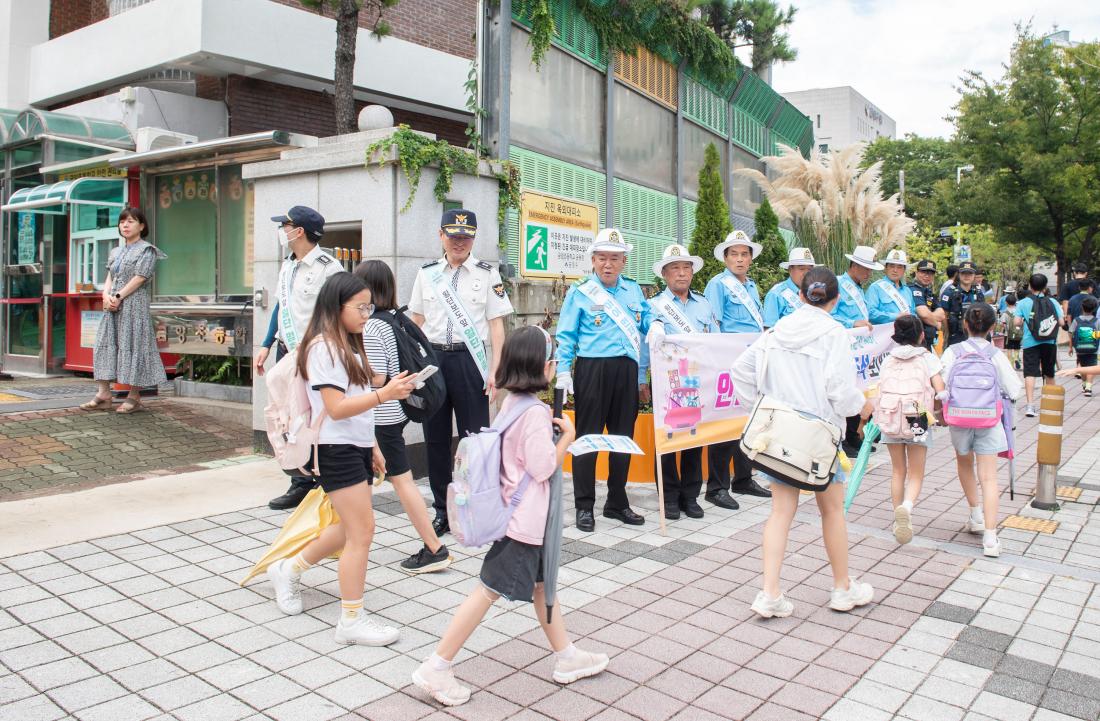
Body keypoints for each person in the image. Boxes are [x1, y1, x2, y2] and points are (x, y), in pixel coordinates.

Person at [412, 327, 608, 707]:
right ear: (542, 366)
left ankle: (566, 656)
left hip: (510, 514)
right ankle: (436, 665)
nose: (554, 367)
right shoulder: (534, 412)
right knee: (488, 589)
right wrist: (568, 435)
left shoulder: (511, 402)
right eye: (552, 361)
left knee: (540, 586)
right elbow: (542, 466)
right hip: (522, 523)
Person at [264, 272, 418, 644]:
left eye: (370, 306)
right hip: (336, 451)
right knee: (361, 533)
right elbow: (335, 408)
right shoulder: (324, 348)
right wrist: (387, 394)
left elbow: (356, 406)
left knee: (351, 529)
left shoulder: (347, 345)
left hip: (355, 447)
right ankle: (350, 620)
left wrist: (374, 448)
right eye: (361, 307)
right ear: (337, 307)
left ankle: (289, 569)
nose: (368, 313)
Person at [730, 267, 875, 619]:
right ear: (836, 300)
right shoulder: (834, 333)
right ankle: (842, 587)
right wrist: (863, 406)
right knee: (833, 510)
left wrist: (762, 408)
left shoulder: (776, 331)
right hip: (820, 438)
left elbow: (739, 370)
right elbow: (840, 391)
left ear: (799, 295)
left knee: (780, 512)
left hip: (779, 434)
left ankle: (770, 593)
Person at [409, 209, 514, 536]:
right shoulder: (427, 273)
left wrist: (495, 371)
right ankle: (442, 510)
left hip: (472, 365)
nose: (459, 243)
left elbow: (497, 327)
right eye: (453, 236)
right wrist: (411, 367)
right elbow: (416, 323)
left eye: (465, 237)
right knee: (436, 441)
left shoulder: (487, 273)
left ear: (473, 239)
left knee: (476, 441)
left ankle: (479, 508)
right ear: (441, 236)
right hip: (434, 363)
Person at [354, 260, 451, 573]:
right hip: (394, 411)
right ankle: (344, 538)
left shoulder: (372, 326)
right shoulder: (395, 319)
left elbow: (379, 377)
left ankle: (434, 548)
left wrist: (345, 374)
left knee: (402, 481)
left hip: (382, 414)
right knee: (361, 480)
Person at [556, 228, 651, 532]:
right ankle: (584, 505)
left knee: (622, 438)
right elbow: (566, 335)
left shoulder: (634, 291)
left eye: (614, 258)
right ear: (593, 261)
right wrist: (562, 370)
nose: (608, 264)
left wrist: (657, 326)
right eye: (602, 258)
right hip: (592, 370)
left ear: (624, 261)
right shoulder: (580, 292)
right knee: (589, 438)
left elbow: (645, 323)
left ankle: (617, 502)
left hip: (625, 371)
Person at [257, 206, 343, 511]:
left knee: (314, 417)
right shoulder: (288, 266)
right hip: (286, 350)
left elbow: (337, 314)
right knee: (289, 417)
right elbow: (281, 308)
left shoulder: (328, 268)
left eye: (287, 225)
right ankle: (299, 481)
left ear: (300, 231)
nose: (283, 230)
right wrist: (267, 344)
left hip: (312, 354)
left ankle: (321, 482)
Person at [941, 303, 1023, 558]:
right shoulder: (995, 354)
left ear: (965, 324)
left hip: (958, 419)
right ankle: (990, 537)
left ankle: (975, 514)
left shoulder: (952, 352)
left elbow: (941, 384)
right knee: (988, 477)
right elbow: (1015, 389)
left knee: (964, 464)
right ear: (992, 327)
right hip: (988, 420)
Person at [647, 244, 717, 520]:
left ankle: (691, 496)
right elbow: (646, 348)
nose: (681, 273)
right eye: (674, 268)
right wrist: (643, 378)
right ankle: (670, 496)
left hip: (697, 379)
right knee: (667, 437)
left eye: (686, 267)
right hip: (668, 381)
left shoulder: (704, 304)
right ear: (664, 274)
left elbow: (715, 340)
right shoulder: (654, 306)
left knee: (694, 438)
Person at [704, 230, 772, 508]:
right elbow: (714, 324)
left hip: (753, 361)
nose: (740, 259)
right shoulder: (718, 285)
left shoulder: (751, 286)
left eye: (745, 254)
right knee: (724, 424)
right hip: (729, 362)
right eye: (735, 254)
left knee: (749, 421)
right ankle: (716, 487)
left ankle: (743, 479)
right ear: (725, 257)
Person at [82, 208, 167, 414]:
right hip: (112, 305)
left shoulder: (147, 250)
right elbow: (110, 276)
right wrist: (105, 296)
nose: (125, 225)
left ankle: (134, 396)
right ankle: (103, 393)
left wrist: (118, 296)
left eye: (130, 221)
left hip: (133, 305)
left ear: (142, 226)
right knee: (104, 343)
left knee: (134, 344)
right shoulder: (116, 251)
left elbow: (140, 277)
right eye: (122, 222)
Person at [877, 316, 945, 545]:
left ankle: (898, 520)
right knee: (916, 473)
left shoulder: (888, 359)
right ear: (921, 335)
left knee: (898, 471)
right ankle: (907, 507)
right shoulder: (927, 358)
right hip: (916, 414)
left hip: (891, 414)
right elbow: (939, 388)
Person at [832, 245, 881, 456]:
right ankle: (846, 439)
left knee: (859, 387)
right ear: (854, 265)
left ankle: (854, 435)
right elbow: (830, 314)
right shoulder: (837, 284)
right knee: (845, 388)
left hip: (859, 349)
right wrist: (852, 322)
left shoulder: (859, 288)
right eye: (866, 269)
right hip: (843, 346)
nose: (869, 274)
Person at [1014, 273, 1063, 417]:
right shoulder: (1053, 302)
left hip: (1030, 342)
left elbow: (1017, 322)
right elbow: (1060, 322)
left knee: (1030, 373)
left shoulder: (1023, 302)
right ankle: (1051, 405)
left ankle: (1030, 406)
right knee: (1049, 372)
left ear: (1030, 286)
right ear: (1045, 286)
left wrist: (1024, 321)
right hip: (1049, 342)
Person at [763, 247, 816, 328]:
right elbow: (768, 329)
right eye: (801, 269)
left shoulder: (816, 293)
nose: (806, 273)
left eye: (809, 269)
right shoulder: (776, 294)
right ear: (790, 269)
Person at [940, 261, 985, 349]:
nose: (966, 276)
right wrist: (946, 335)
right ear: (959, 275)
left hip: (975, 335)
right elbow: (944, 315)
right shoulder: (949, 292)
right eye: (964, 273)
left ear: (974, 275)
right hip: (955, 335)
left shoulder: (978, 293)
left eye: (970, 274)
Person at [867, 248, 916, 324]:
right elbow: (870, 313)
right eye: (892, 266)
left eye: (899, 267)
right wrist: (896, 316)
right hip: (884, 334)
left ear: (904, 270)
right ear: (886, 268)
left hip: (905, 334)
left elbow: (913, 314)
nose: (895, 270)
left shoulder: (907, 291)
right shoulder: (876, 287)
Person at [909, 259, 947, 353]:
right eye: (924, 272)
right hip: (916, 341)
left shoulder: (928, 292)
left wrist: (928, 317)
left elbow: (941, 314)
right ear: (917, 273)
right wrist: (936, 323)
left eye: (930, 273)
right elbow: (923, 314)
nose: (927, 276)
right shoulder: (912, 290)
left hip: (928, 340)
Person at [1069, 296, 1099, 397]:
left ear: (1082, 307)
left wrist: (1070, 347)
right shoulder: (1096, 321)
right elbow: (1098, 334)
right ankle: (1089, 388)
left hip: (1080, 348)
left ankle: (1084, 385)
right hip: (1093, 349)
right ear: (1094, 308)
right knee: (1091, 367)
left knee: (1082, 366)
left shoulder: (1077, 320)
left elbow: (1071, 332)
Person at [999, 293, 1023, 370]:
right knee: (1016, 347)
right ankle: (1016, 358)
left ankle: (1011, 364)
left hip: (1008, 334)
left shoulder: (1005, 313)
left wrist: (1005, 328)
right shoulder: (1018, 311)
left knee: (1009, 348)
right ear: (1015, 302)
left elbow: (1002, 323)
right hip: (1018, 333)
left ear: (1006, 302)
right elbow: (1022, 321)